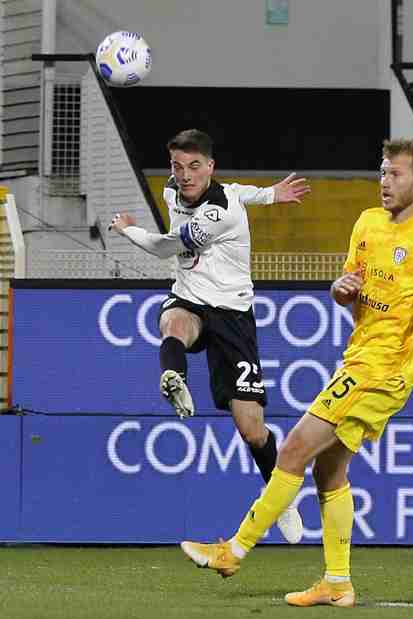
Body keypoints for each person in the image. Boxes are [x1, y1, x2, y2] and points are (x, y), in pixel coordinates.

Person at [179, 139, 413, 607]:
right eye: (382, 172)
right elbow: (345, 286)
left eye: (395, 174)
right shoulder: (367, 222)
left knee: (293, 449)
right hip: (361, 356)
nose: (385, 181)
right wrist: (342, 289)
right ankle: (337, 581)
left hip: (384, 366)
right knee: (330, 469)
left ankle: (234, 549)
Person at [110, 128, 311, 544]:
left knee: (253, 430)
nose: (185, 176)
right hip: (191, 298)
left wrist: (128, 228)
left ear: (210, 167)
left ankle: (283, 499)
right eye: (177, 167)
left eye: (194, 167)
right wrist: (271, 194)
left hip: (233, 314)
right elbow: (243, 190)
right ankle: (174, 378)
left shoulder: (218, 213)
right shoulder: (174, 189)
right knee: (173, 324)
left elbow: (166, 248)